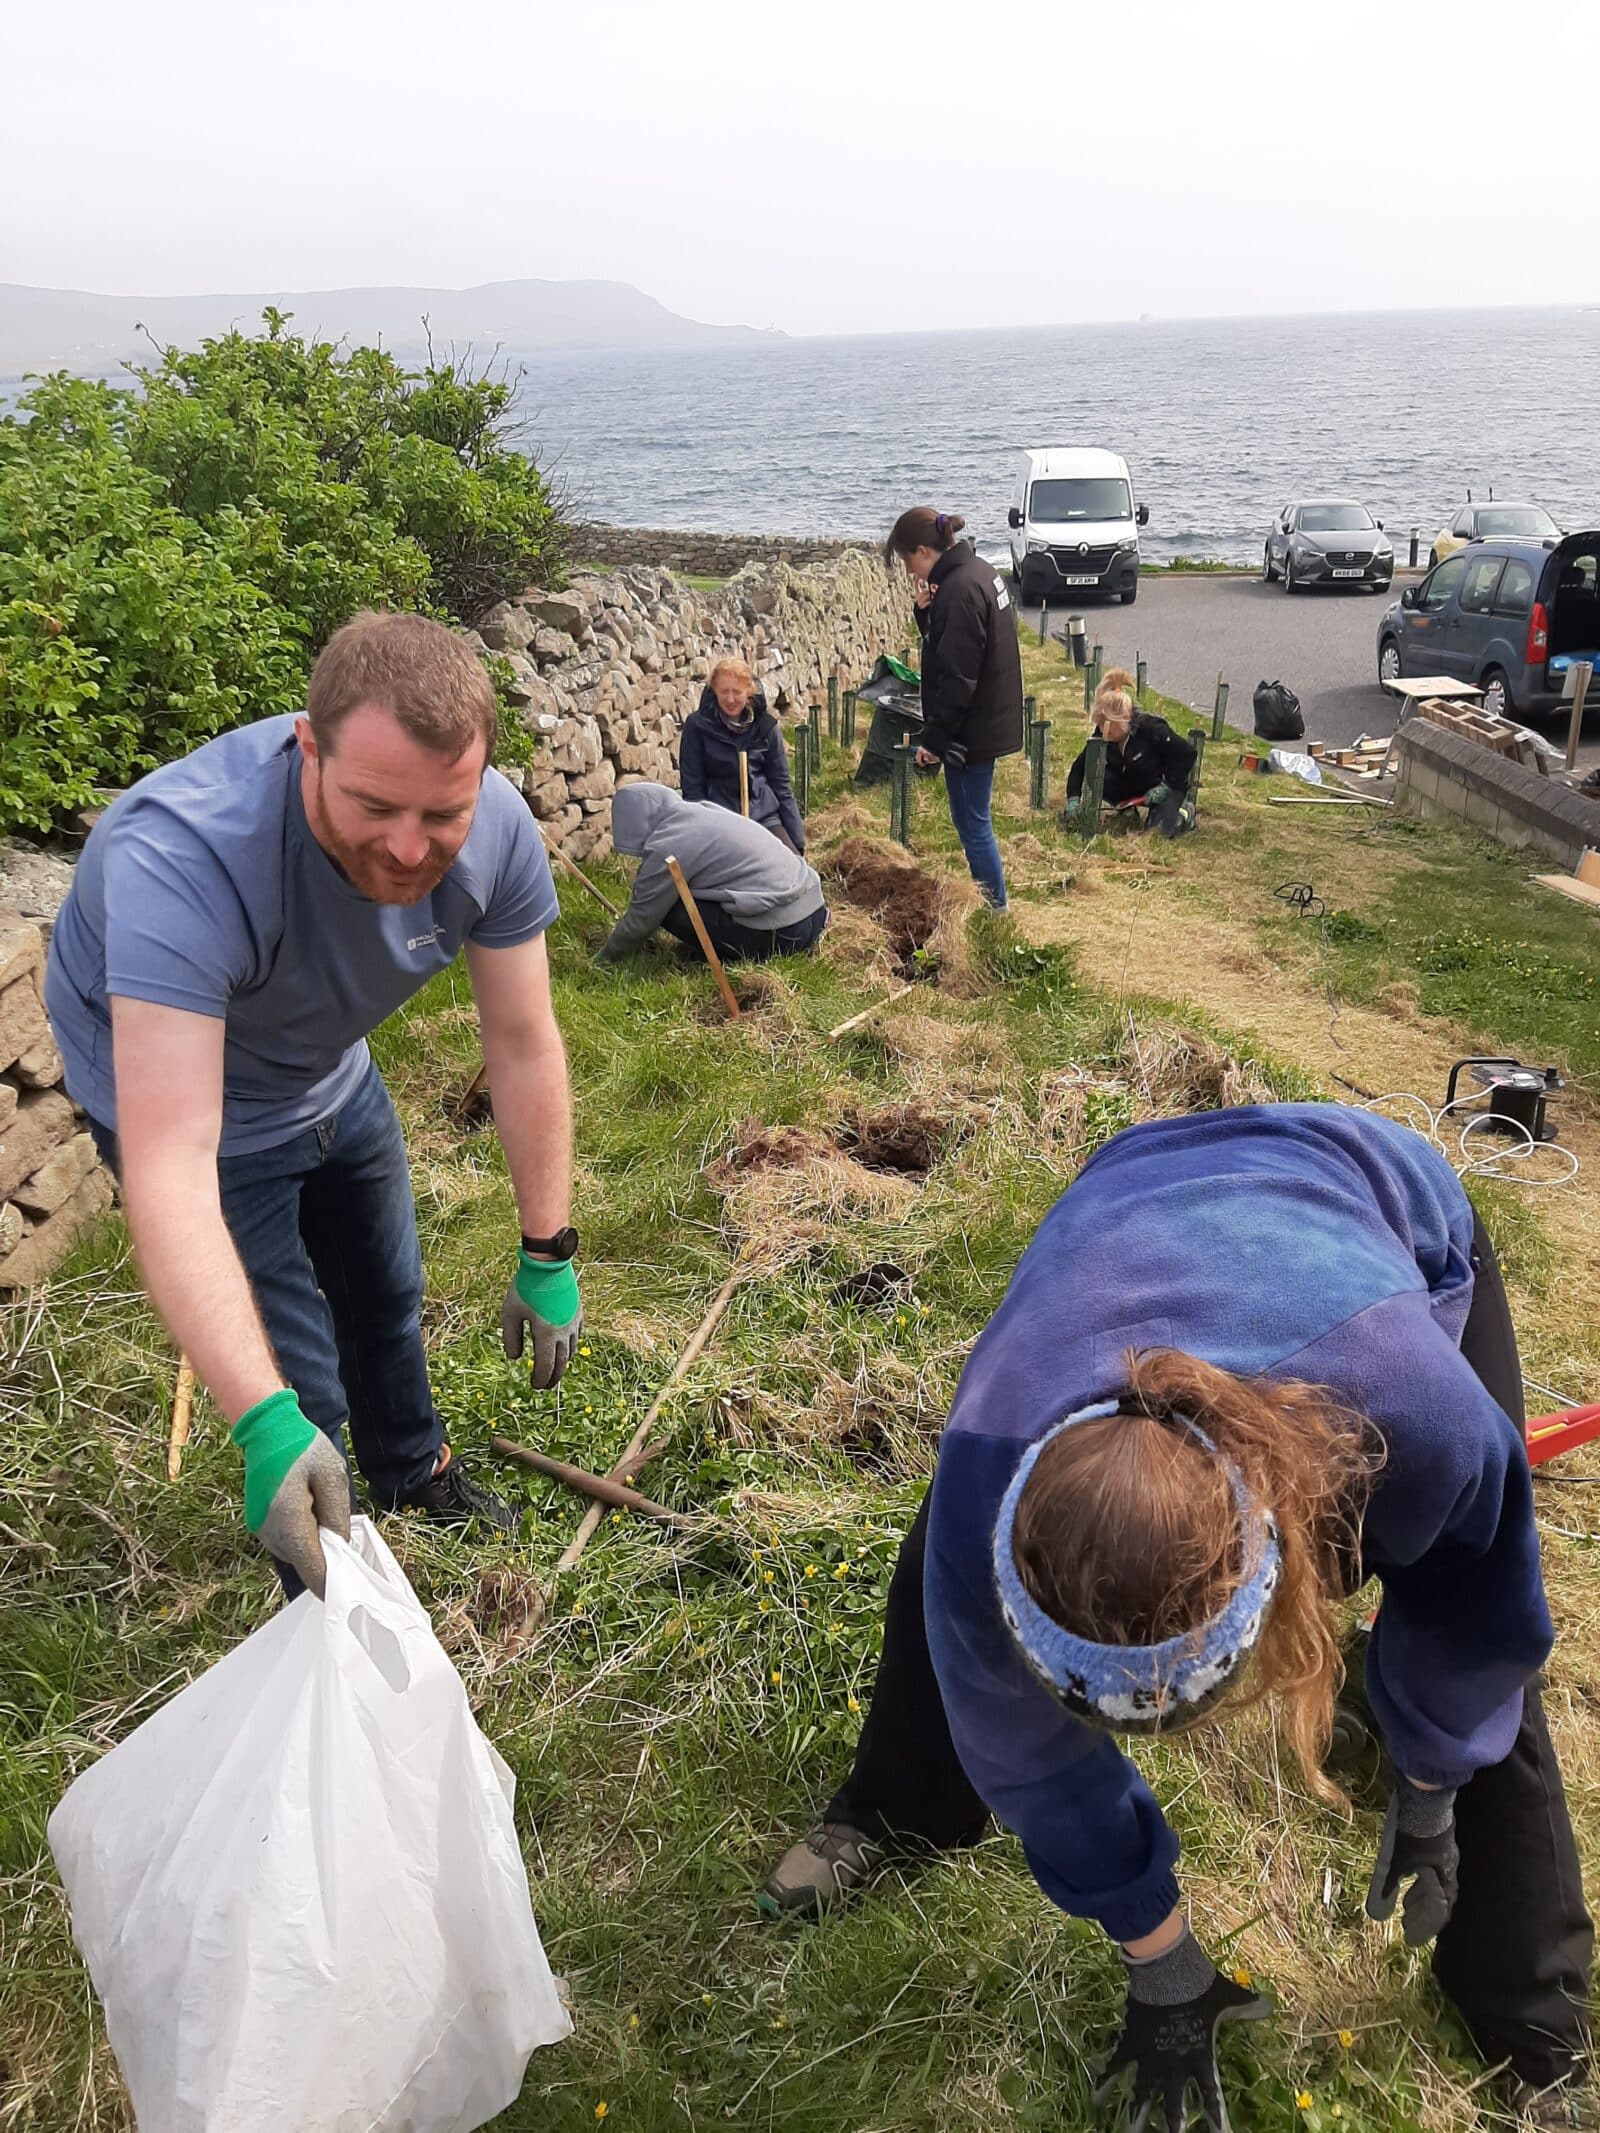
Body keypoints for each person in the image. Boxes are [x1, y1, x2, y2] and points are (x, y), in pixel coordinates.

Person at [762, 1103, 1593, 2131]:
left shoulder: (1410, 1415)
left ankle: (1530, 2028)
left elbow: (1481, 1609)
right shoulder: (990, 1459)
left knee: (1493, 1683)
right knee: (941, 1622)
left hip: (1368, 1200)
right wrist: (1159, 1960)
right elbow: (1023, 1748)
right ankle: (898, 1807)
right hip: (1133, 1188)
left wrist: (1431, 1784)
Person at [45, 611, 585, 1601]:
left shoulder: (496, 828)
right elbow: (170, 1158)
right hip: (192, 1103)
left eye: (442, 815)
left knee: (385, 1290)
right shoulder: (181, 861)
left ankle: (413, 1468)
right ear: (309, 746)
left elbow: (521, 1040)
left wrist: (547, 1248)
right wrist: (261, 1420)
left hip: (325, 1063)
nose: (409, 848)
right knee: (301, 1384)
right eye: (376, 805)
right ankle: (323, 1581)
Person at [884, 508, 1023, 909]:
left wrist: (936, 741)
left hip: (971, 730)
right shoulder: (979, 571)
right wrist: (925, 612)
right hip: (989, 717)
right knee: (975, 821)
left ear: (924, 550)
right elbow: (955, 648)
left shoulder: (959, 591)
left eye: (909, 561)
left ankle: (995, 911)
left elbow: (958, 678)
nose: (911, 572)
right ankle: (995, 906)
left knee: (973, 824)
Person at [596, 782, 828, 965]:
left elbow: (642, 917)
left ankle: (731, 953)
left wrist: (604, 960)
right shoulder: (703, 812)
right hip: (813, 912)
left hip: (783, 934)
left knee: (670, 908)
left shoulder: (666, 842)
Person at [678, 657, 806, 852]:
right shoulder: (697, 726)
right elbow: (693, 789)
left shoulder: (766, 728)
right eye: (723, 692)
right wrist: (703, 833)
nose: (730, 699)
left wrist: (797, 843)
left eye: (737, 692)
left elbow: (781, 786)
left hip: (764, 818)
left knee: (793, 871)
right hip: (719, 820)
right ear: (714, 691)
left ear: (749, 692)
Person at [1063, 669, 1196, 837]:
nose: (1105, 730)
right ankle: (1126, 809)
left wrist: (1167, 785)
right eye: (1101, 724)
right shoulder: (1102, 735)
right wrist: (1073, 799)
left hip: (1161, 784)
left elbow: (1186, 754)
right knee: (1100, 774)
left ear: (1125, 718)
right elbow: (1080, 766)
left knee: (1157, 833)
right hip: (1129, 786)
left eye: (1110, 725)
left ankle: (1184, 813)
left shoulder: (1152, 730)